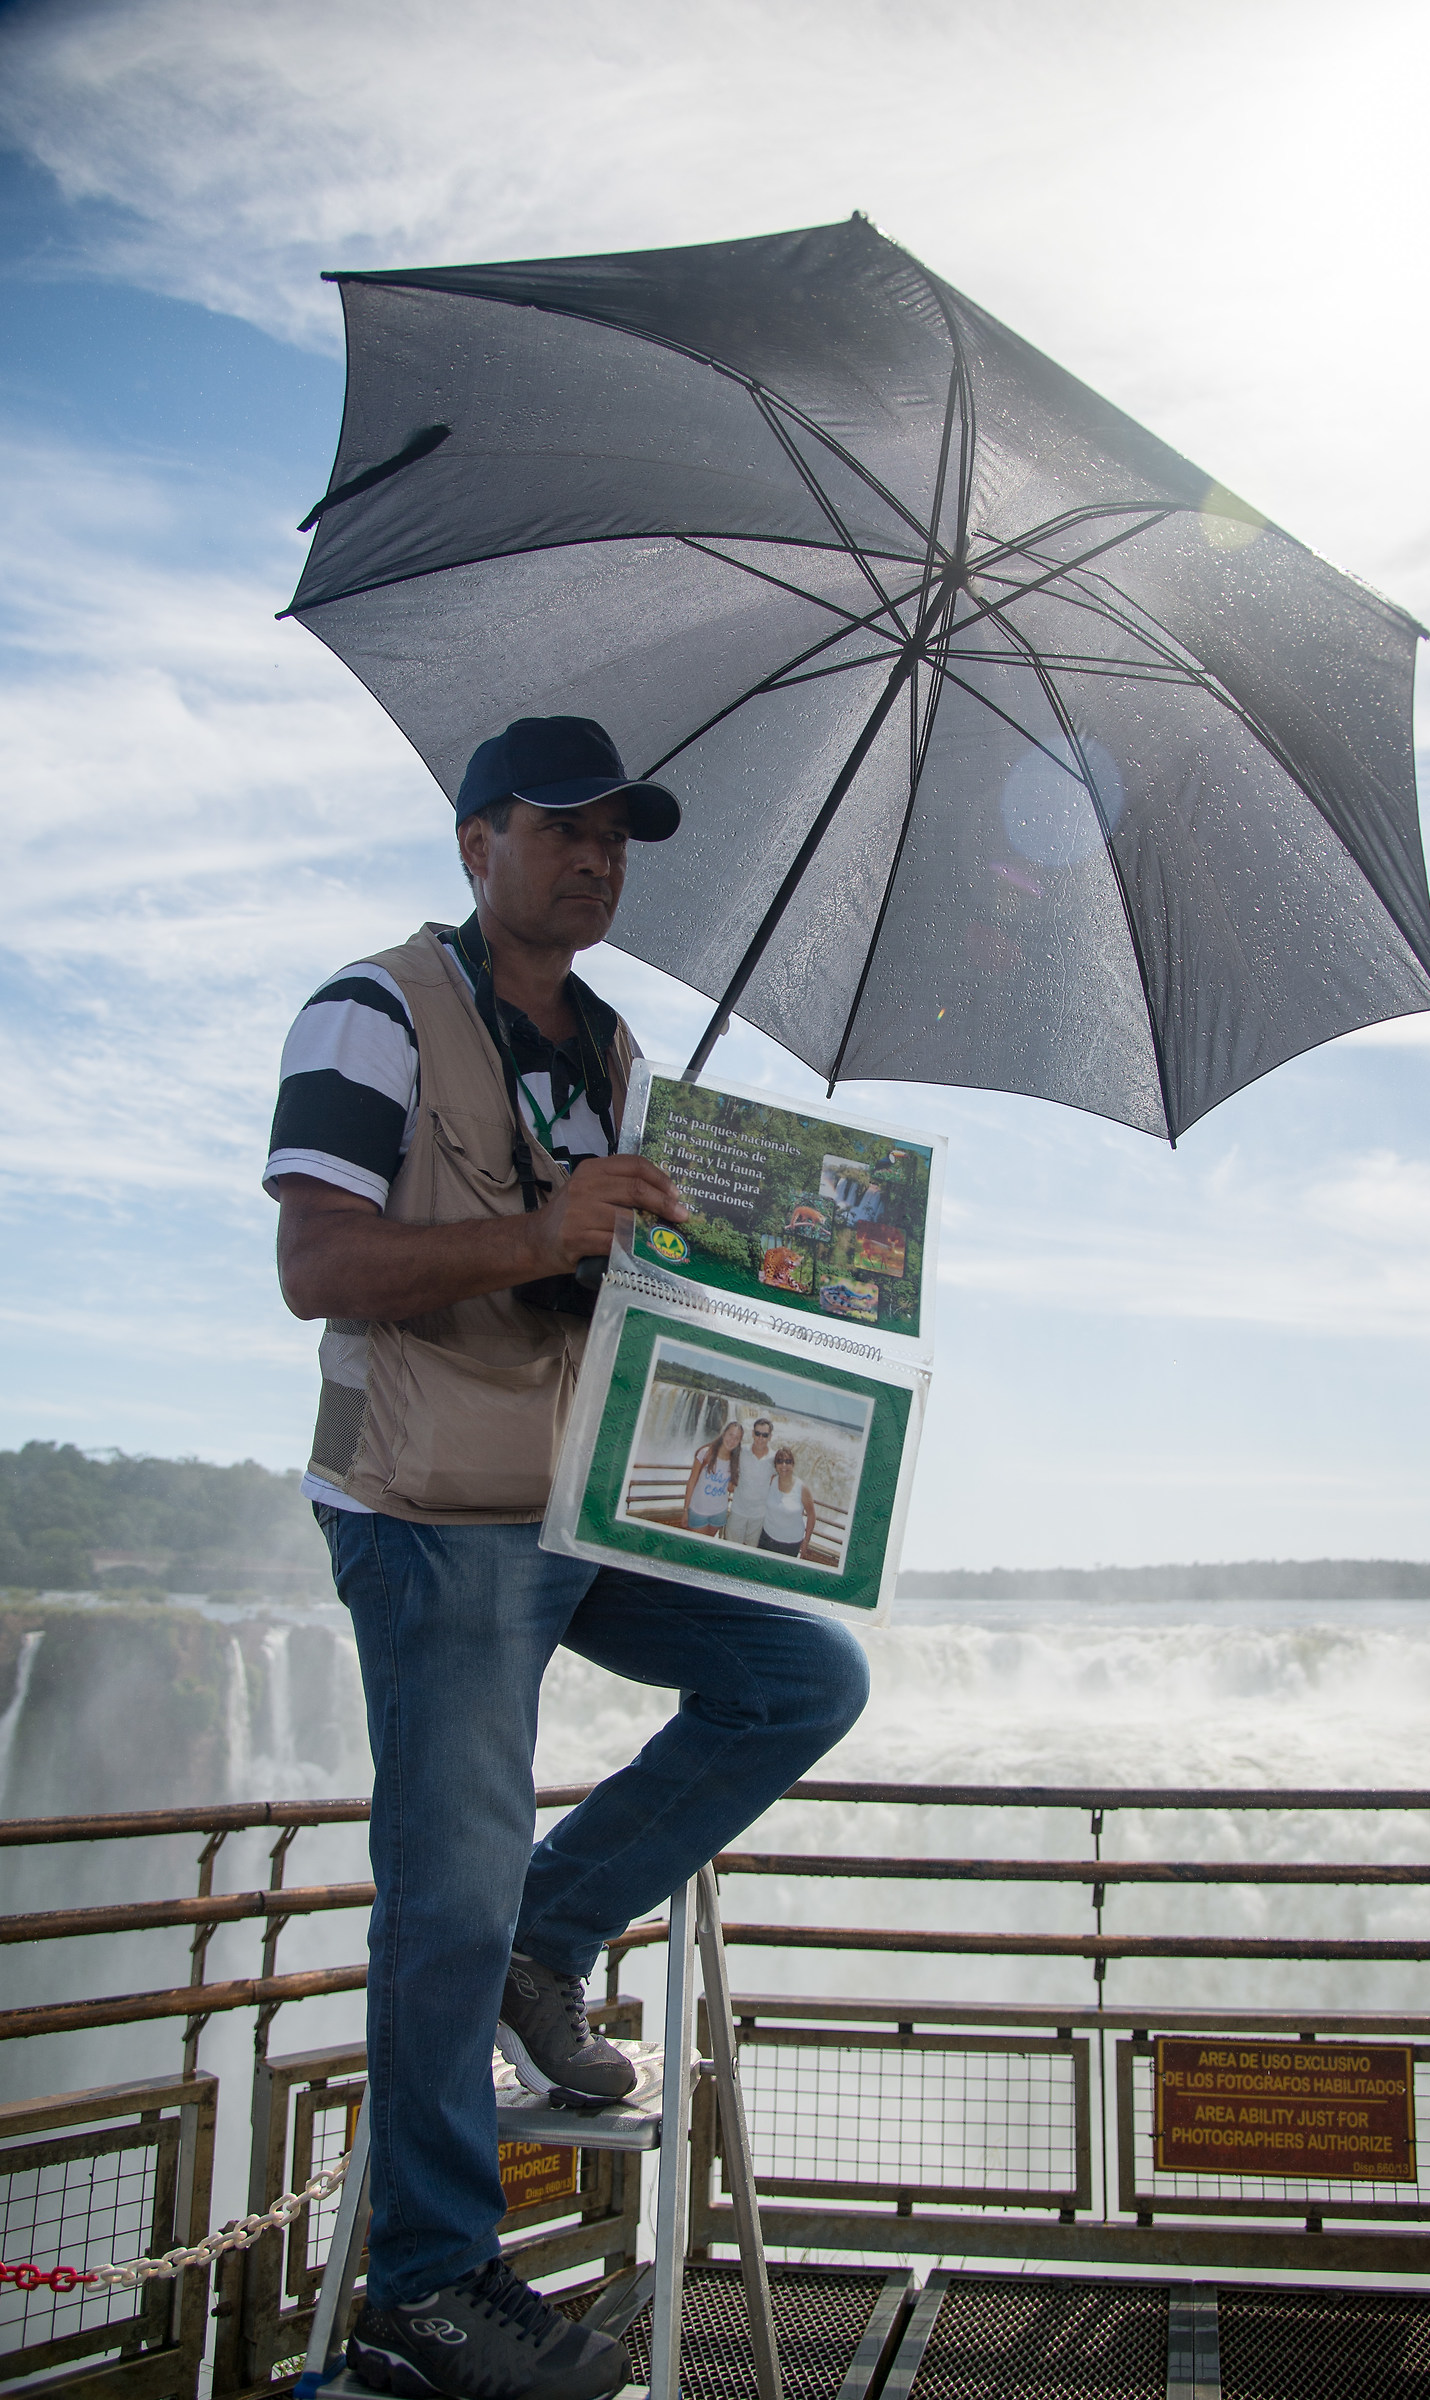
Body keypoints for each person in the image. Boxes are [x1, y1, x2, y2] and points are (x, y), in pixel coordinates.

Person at [265, 715, 869, 2400]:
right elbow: (318, 1263)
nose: (596, 861)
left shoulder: (611, 1049)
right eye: (561, 830)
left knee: (800, 1675)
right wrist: (545, 1229)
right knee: (437, 1891)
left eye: (618, 837)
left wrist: (742, 1295)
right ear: (477, 845)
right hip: (430, 1513)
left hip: (580, 1501)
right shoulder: (369, 1011)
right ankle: (433, 2284)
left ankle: (555, 1932)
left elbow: (600, 1288)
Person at [682, 1418, 741, 1534]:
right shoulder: (705, 1453)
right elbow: (692, 1481)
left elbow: (730, 1488)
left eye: (736, 1438)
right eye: (730, 1435)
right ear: (724, 1434)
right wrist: (685, 1510)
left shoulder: (735, 1461)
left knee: (707, 1545)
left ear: (739, 1442)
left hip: (719, 1513)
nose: (732, 1440)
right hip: (698, 1511)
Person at [724, 1417, 776, 1546]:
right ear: (753, 1433)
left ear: (770, 1437)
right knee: (730, 1550)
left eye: (765, 1435)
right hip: (737, 1511)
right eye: (757, 1433)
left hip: (759, 1517)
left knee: (750, 1553)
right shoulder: (741, 1451)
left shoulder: (775, 1459)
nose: (760, 1438)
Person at [758, 1448, 817, 1559]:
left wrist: (806, 1541)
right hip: (766, 1538)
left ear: (793, 1465)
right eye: (779, 1461)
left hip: (789, 1545)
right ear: (775, 1466)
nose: (784, 1465)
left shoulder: (802, 1488)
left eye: (788, 1461)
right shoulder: (771, 1480)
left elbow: (811, 1515)